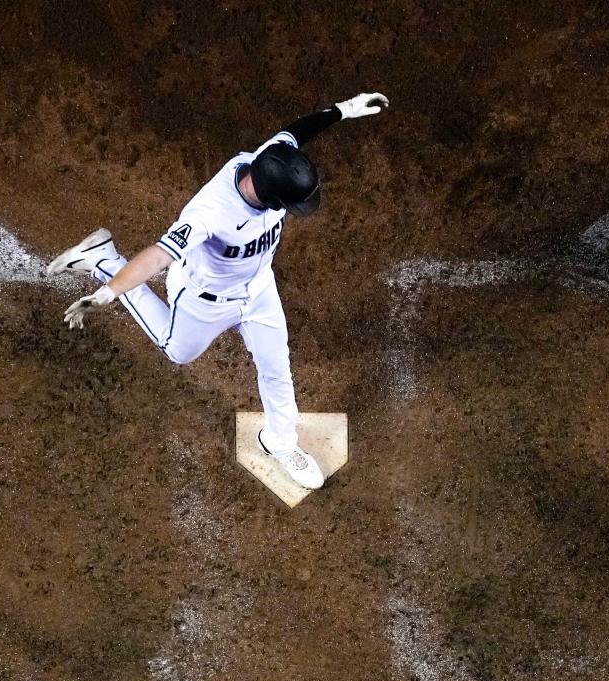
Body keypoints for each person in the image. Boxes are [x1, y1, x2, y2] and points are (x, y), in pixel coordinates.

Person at [48, 92, 389, 489]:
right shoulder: (210, 212)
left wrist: (343, 110)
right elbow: (160, 255)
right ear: (271, 196)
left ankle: (280, 443)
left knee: (276, 365)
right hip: (204, 300)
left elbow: (294, 133)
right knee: (177, 350)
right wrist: (108, 292)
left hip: (259, 290)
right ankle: (104, 259)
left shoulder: (267, 161)